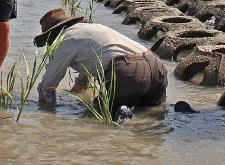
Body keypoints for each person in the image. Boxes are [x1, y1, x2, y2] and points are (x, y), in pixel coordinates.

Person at [34, 8, 168, 113]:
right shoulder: (88, 30)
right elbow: (85, 74)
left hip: (130, 71)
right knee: (149, 113)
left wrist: (45, 112)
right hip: (156, 65)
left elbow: (47, 86)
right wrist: (75, 94)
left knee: (97, 113)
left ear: (52, 35)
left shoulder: (65, 40)